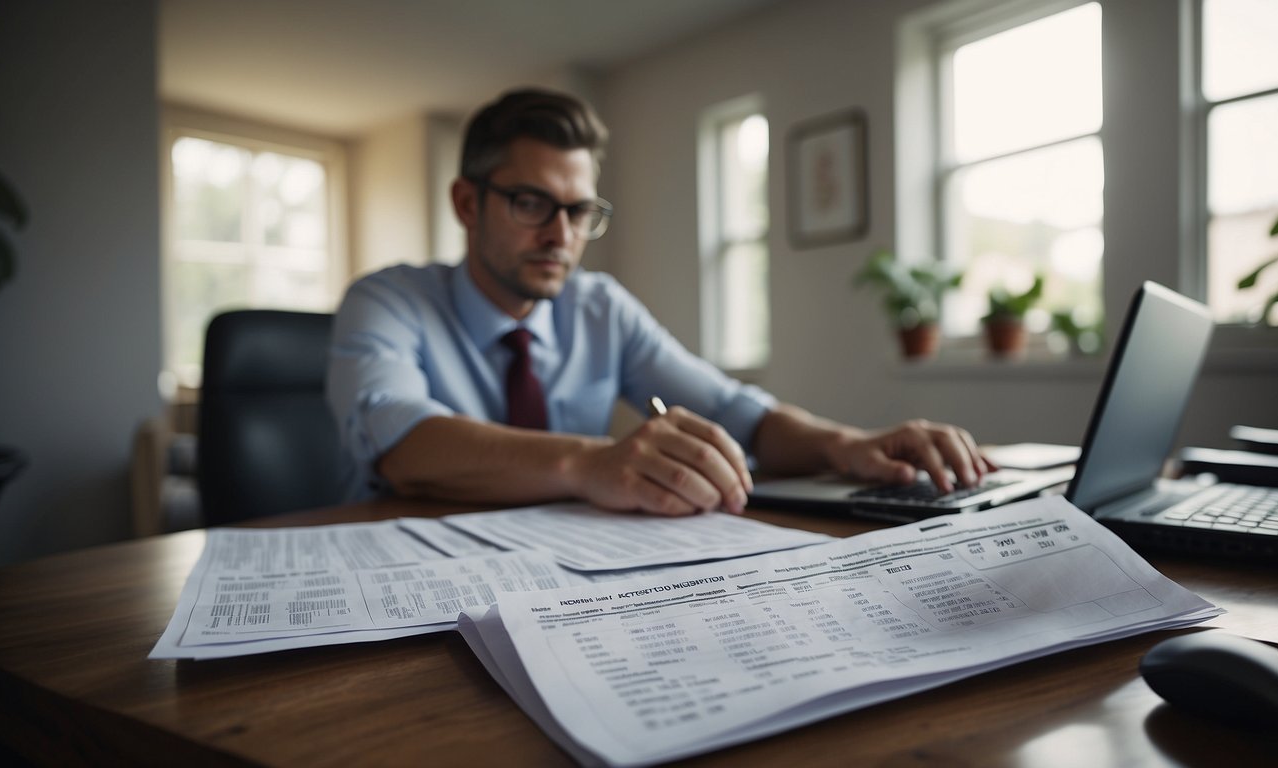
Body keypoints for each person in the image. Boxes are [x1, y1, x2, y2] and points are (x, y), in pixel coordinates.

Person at [327, 88, 992, 516]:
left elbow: (737, 412)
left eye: (580, 209)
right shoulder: (386, 300)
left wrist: (848, 445)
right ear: (467, 203)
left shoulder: (600, 308)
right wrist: (591, 462)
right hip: (407, 572)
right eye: (532, 204)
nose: (562, 235)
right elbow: (405, 443)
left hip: (563, 568)